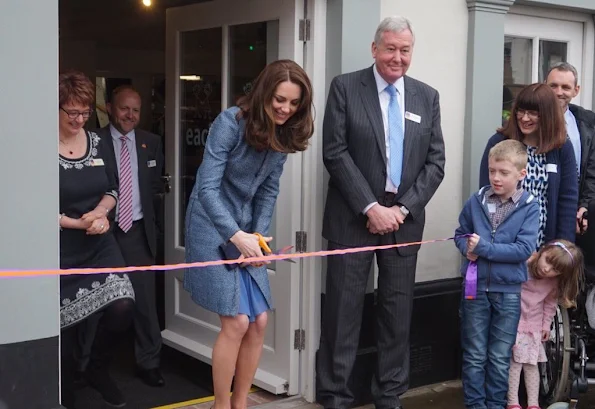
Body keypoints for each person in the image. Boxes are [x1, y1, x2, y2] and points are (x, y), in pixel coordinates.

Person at [317, 16, 446, 409]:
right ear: (375, 49)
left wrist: (402, 209)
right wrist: (371, 207)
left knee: (396, 317)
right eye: (390, 48)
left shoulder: (427, 96)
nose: (398, 57)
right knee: (343, 317)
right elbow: (334, 152)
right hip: (352, 221)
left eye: (405, 50)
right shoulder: (345, 88)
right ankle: (335, 397)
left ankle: (390, 396)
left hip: (403, 226)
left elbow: (436, 163)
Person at [184, 59, 314, 409]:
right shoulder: (230, 122)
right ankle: (221, 405)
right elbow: (207, 188)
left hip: (245, 231)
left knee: (260, 321)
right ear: (262, 95)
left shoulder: (285, 133)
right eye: (279, 100)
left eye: (293, 102)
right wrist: (235, 234)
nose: (286, 108)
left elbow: (269, 191)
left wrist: (258, 234)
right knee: (237, 321)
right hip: (210, 225)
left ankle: (241, 403)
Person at [58, 70, 135, 408]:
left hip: (100, 243)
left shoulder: (98, 142)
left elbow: (112, 189)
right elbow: (31, 206)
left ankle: (96, 369)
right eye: (70, 112)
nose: (78, 119)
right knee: (64, 324)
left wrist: (102, 212)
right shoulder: (38, 146)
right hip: (60, 247)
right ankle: (66, 383)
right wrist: (77, 223)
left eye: (84, 112)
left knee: (123, 306)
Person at [455, 139, 540, 409]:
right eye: (493, 171)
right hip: (475, 290)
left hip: (509, 293)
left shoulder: (529, 206)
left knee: (500, 356)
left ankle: (495, 404)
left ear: (521, 174)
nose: (496, 178)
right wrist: (465, 248)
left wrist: (484, 248)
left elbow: (524, 249)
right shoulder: (476, 201)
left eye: (504, 172)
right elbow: (461, 233)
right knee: (474, 355)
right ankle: (475, 405)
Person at [96, 84, 165, 387]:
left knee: (146, 305)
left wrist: (158, 232)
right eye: (124, 108)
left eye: (136, 110)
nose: (130, 115)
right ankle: (89, 365)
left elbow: (155, 191)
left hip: (138, 232)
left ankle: (148, 362)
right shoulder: (93, 141)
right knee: (99, 301)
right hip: (104, 235)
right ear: (109, 107)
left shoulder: (152, 142)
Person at [479, 83, 578, 249]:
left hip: (544, 246)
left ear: (548, 115)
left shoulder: (562, 148)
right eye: (521, 111)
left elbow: (567, 200)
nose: (524, 118)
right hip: (505, 245)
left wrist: (561, 248)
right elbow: (486, 193)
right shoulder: (498, 142)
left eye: (533, 113)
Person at [506, 240, 584, 409]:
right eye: (547, 260)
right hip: (514, 322)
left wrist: (545, 326)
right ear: (543, 250)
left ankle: (533, 403)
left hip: (533, 326)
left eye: (555, 270)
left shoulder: (553, 283)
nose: (547, 269)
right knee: (515, 365)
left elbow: (550, 305)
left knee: (532, 365)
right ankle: (513, 402)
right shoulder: (524, 265)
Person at [545, 62, 595, 234]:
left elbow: (592, 171)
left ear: (576, 90)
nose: (559, 92)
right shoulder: (529, 121)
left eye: (566, 87)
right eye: (553, 86)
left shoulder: (588, 122)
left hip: (577, 213)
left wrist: (584, 206)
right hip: (540, 211)